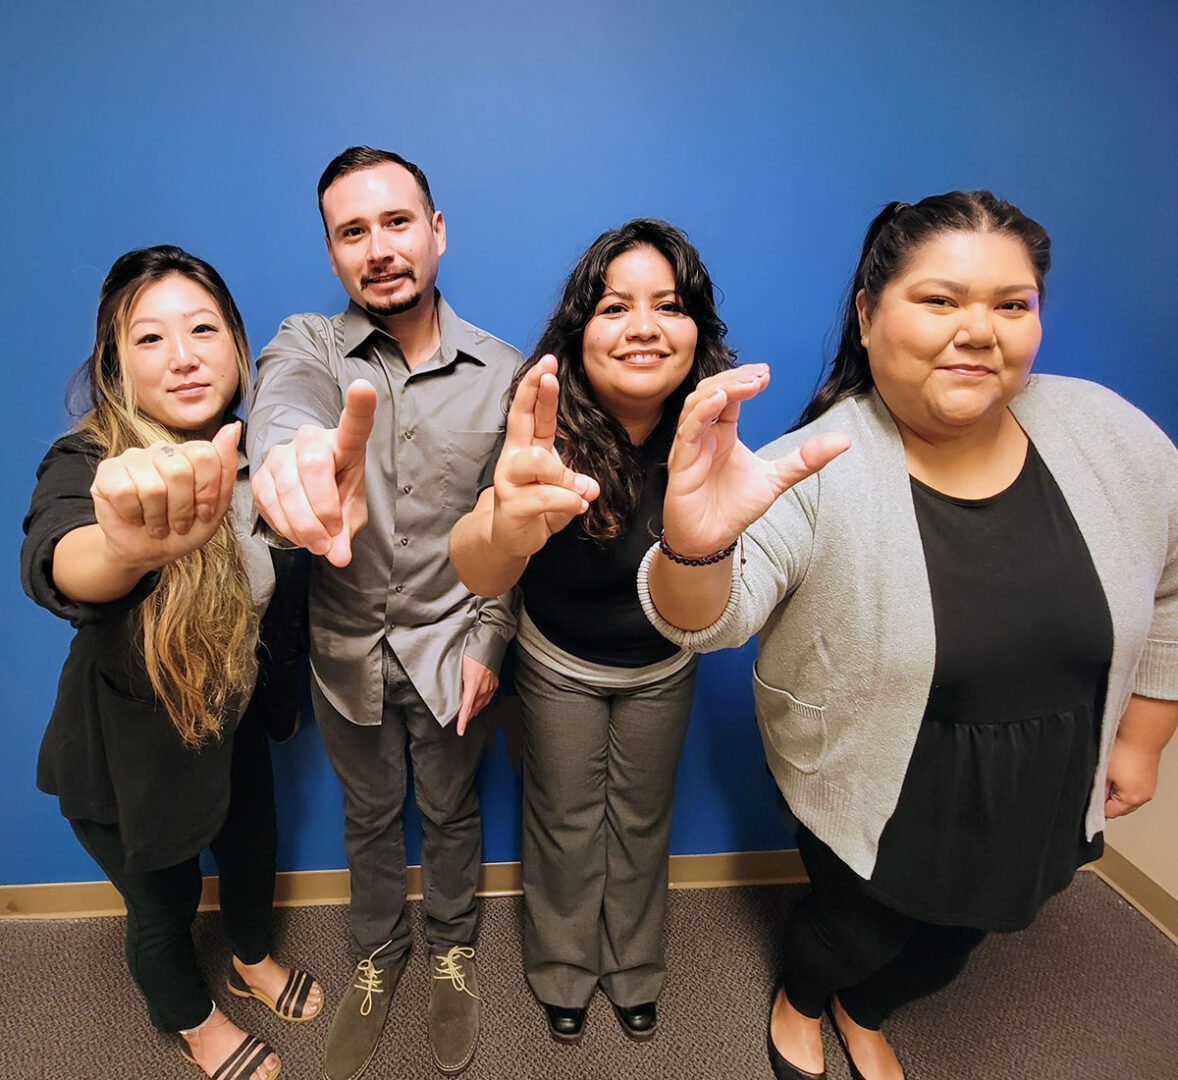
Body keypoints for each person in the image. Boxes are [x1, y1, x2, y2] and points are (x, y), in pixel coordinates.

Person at [639, 191, 1178, 1080]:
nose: (981, 330)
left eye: (1013, 305)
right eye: (940, 300)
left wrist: (1146, 733)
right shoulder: (814, 464)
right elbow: (710, 619)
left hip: (1045, 780)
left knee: (967, 937)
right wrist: (694, 547)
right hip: (871, 780)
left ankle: (866, 1008)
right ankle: (807, 997)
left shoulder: (1107, 432)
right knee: (855, 928)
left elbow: (1170, 575)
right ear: (867, 312)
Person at [247, 146, 520, 1079]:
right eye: (352, 232)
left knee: (449, 812)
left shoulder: (504, 372)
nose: (379, 248)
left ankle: (451, 949)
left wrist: (491, 638)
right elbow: (283, 404)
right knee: (370, 817)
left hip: (455, 651)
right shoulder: (308, 345)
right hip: (344, 653)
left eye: (397, 222)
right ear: (332, 255)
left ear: (437, 231)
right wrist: (285, 457)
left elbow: (513, 526)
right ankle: (377, 952)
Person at [20, 246, 324, 1080]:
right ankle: (190, 1022)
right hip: (128, 761)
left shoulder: (264, 457)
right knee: (165, 910)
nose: (184, 355)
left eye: (202, 329)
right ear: (116, 366)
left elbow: (285, 592)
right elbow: (58, 558)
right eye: (150, 339)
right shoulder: (93, 465)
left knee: (254, 855)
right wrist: (121, 549)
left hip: (232, 728)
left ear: (235, 342)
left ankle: (252, 962)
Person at [449, 219, 736, 1042]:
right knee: (565, 821)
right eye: (616, 307)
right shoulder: (538, 426)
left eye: (668, 306)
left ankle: (636, 970)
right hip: (556, 663)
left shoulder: (712, 434)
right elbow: (477, 562)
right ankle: (563, 972)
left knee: (643, 819)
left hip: (661, 666)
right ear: (581, 332)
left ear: (696, 330)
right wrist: (502, 529)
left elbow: (717, 595)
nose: (643, 326)